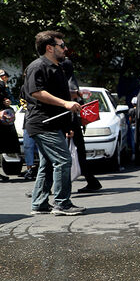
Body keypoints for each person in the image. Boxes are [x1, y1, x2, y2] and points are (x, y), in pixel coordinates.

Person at [24, 31, 85, 216]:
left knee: (48, 163)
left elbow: (60, 96)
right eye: (62, 45)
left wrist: (67, 125)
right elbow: (36, 92)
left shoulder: (57, 67)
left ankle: (39, 203)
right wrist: (65, 103)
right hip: (43, 123)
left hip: (53, 123)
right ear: (49, 48)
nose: (65, 49)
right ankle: (62, 203)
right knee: (63, 160)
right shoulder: (38, 66)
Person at [60, 58, 102, 192]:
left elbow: (71, 107)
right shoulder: (71, 81)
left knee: (68, 155)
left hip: (71, 124)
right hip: (73, 124)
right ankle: (92, 181)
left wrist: (69, 127)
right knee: (78, 154)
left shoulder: (68, 82)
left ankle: (49, 187)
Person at [0, 69, 19, 182]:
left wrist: (8, 102)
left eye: (4, 75)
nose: (3, 78)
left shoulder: (5, 87)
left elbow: (11, 100)